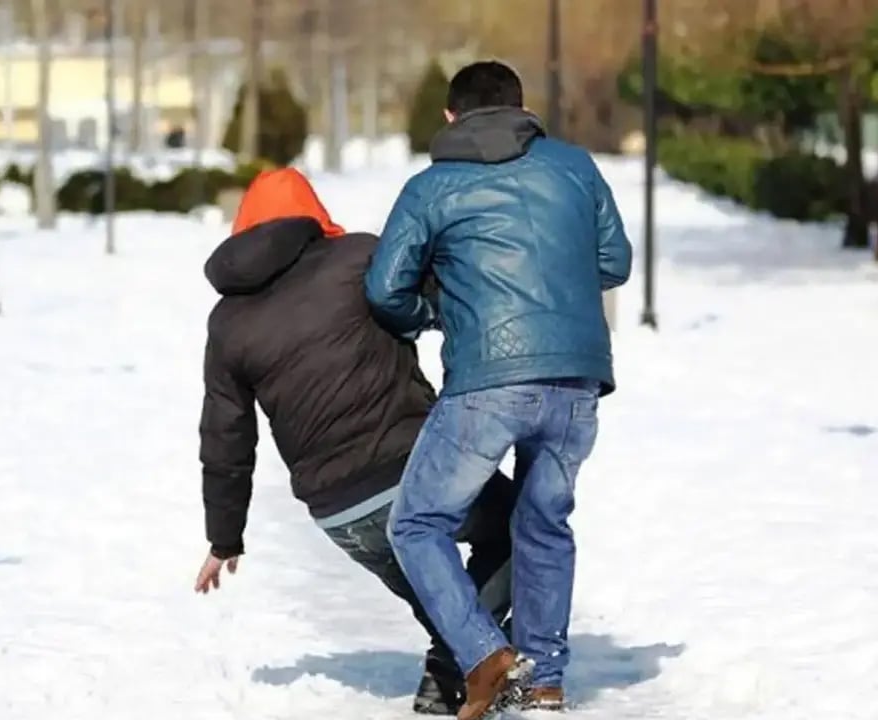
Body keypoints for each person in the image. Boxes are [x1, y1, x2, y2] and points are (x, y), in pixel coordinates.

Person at [194, 167, 517, 715]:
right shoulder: (359, 258)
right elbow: (445, 296)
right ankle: (454, 666)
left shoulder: (226, 322)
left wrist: (224, 538)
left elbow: (225, 437)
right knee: (520, 526)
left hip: (338, 511)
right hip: (416, 469)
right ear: (313, 215)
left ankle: (453, 675)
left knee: (444, 602)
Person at [364, 61, 632, 720]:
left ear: (451, 116)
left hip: (486, 381)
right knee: (544, 523)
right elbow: (614, 262)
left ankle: (484, 653)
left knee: (418, 522)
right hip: (576, 377)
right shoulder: (574, 167)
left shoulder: (430, 188)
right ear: (522, 108)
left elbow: (383, 288)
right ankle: (543, 683)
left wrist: (433, 313)